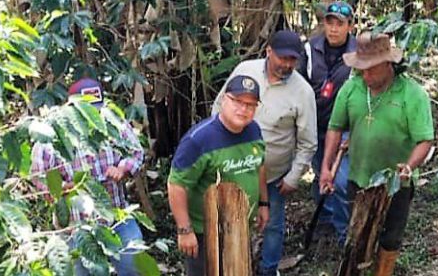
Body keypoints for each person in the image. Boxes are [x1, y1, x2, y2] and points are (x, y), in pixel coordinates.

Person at [319, 32, 434, 276]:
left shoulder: (411, 94)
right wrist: (326, 168)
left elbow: (425, 139)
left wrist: (409, 167)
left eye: (371, 69)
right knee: (358, 233)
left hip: (396, 184)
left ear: (388, 64)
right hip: (358, 178)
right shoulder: (352, 88)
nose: (365, 75)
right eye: (361, 69)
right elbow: (335, 127)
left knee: (390, 237)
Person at [212, 31, 317, 276]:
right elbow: (219, 108)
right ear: (268, 51)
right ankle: (233, 267)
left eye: (293, 60)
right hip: (233, 169)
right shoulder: (245, 70)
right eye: (283, 58)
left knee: (272, 225)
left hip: (273, 176)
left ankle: (268, 270)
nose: (288, 65)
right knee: (230, 221)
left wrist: (293, 177)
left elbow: (308, 142)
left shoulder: (302, 91)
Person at [30, 78, 145, 276]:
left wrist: (122, 168)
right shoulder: (52, 137)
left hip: (117, 218)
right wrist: (65, 188)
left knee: (136, 265)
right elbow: (39, 179)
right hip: (75, 228)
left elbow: (136, 152)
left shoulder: (113, 125)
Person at [168, 75, 269, 276]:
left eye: (250, 105)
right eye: (237, 101)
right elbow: (176, 184)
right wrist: (185, 230)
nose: (244, 109)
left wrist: (263, 204)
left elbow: (259, 167)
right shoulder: (199, 140)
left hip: (240, 226)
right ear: (224, 100)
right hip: (205, 231)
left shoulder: (254, 131)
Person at [299, 0, 356, 246]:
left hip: (344, 127)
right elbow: (298, 84)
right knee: (319, 174)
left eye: (340, 24)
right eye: (329, 23)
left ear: (350, 27)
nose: (333, 29)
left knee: (341, 179)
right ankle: (325, 218)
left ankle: (345, 232)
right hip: (315, 124)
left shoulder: (359, 53)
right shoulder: (310, 49)